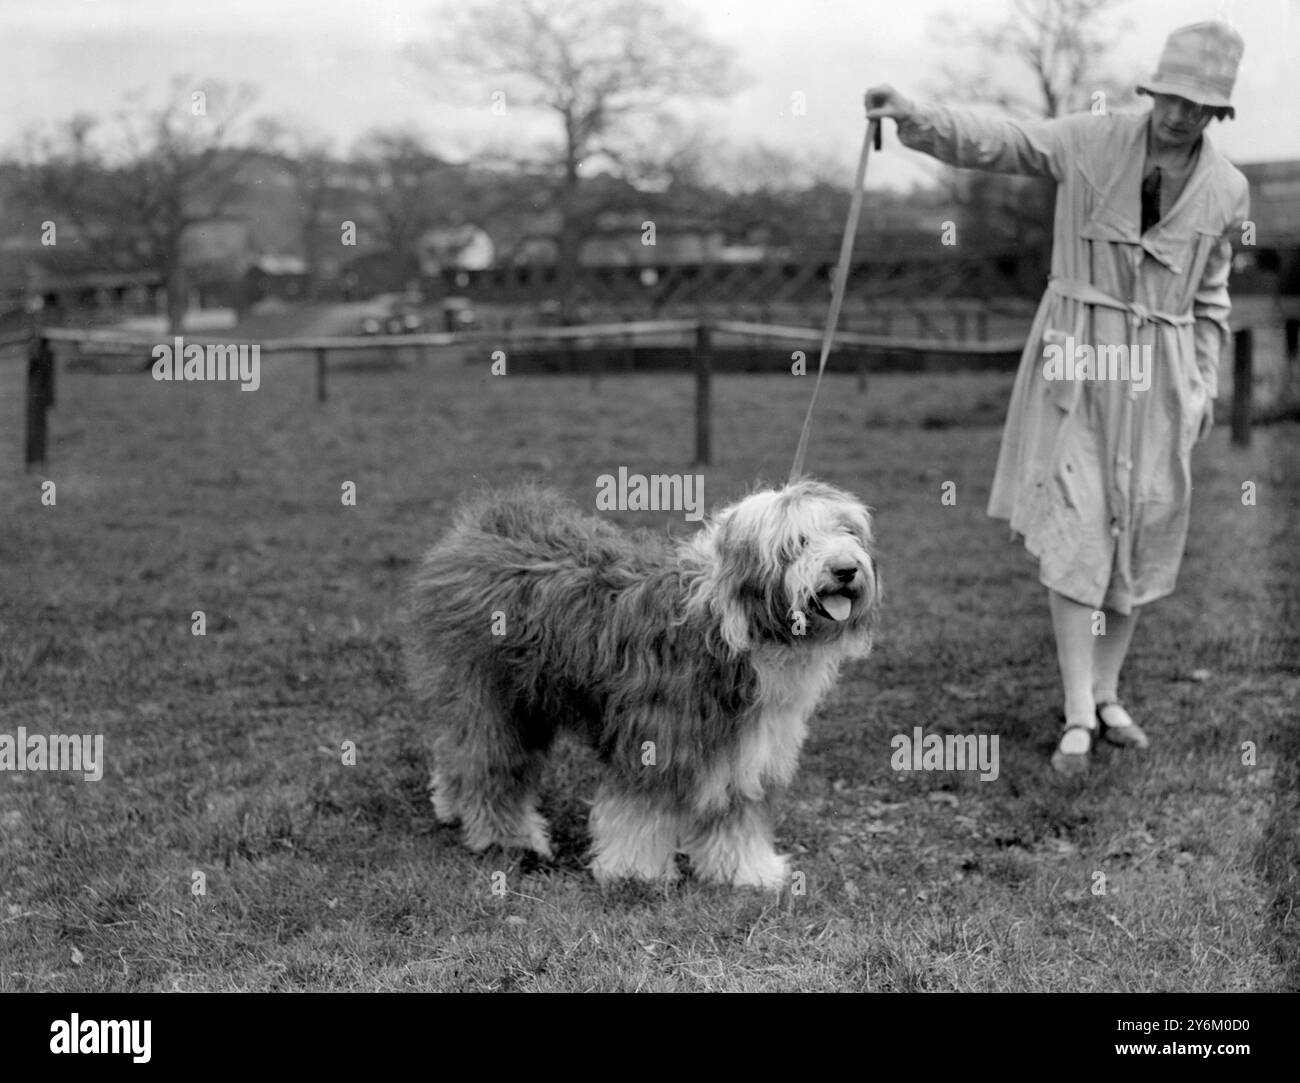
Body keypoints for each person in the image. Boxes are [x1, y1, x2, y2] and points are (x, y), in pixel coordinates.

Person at [865, 21, 1250, 773]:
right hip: (1078, 359)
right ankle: (1076, 710)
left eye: (1197, 105)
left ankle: (1109, 695)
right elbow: (1003, 139)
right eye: (1171, 97)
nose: (1178, 114)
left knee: (1135, 529)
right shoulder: (1091, 138)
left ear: (1217, 113)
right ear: (1154, 91)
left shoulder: (1229, 189)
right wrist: (912, 115)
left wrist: (1204, 384)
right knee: (1077, 526)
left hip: (1162, 377)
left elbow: (1212, 298)